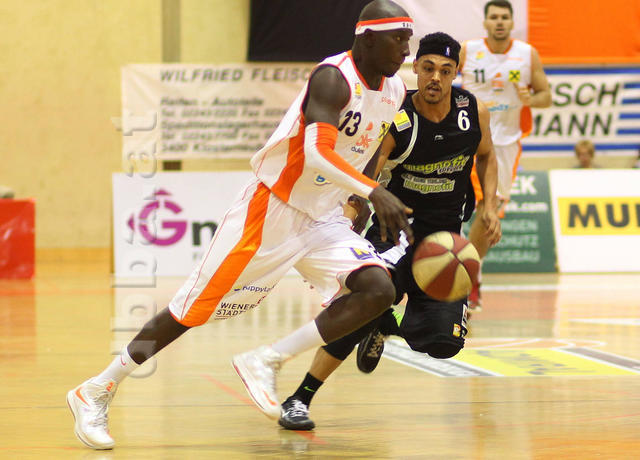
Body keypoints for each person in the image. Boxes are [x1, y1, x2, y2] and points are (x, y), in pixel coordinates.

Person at [67, 0, 415, 450]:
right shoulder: (333, 78)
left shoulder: (395, 90)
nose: (406, 49)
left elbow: (363, 145)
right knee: (188, 311)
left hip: (324, 217)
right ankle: (97, 388)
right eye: (398, 38)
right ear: (367, 37)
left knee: (378, 290)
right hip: (270, 210)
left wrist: (354, 197)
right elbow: (317, 153)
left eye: (408, 39)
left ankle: (267, 360)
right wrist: (372, 191)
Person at [277, 32, 501, 431]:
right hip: (395, 232)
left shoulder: (473, 111)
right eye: (428, 68)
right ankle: (299, 398)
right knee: (359, 310)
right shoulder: (399, 118)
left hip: (444, 242)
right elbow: (368, 175)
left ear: (455, 74)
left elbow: (487, 156)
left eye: (445, 71)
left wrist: (489, 206)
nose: (435, 78)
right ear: (416, 69)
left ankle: (384, 324)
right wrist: (351, 211)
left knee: (444, 344)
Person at [459, 0, 551, 311]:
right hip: (467, 138)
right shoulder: (469, 50)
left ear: (512, 23)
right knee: (466, 209)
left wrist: (531, 98)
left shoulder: (527, 54)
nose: (499, 22)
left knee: (489, 211)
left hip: (505, 144)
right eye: (494, 17)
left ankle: (471, 275)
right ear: (485, 22)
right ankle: (460, 277)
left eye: (504, 17)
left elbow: (546, 96)